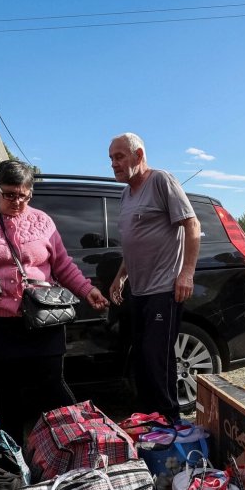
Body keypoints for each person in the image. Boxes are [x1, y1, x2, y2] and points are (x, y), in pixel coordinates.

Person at [0, 159, 108, 443]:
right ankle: (13, 454)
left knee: (53, 386)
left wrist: (86, 290)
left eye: (23, 195)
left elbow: (63, 265)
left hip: (44, 320)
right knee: (7, 391)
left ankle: (76, 445)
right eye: (9, 194)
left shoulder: (43, 221)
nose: (17, 201)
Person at [106, 133, 201, 423]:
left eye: (119, 156)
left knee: (157, 358)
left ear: (139, 155)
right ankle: (149, 421)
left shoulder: (161, 181)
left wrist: (186, 273)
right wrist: (121, 276)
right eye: (111, 159)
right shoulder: (125, 194)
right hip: (139, 289)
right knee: (143, 360)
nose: (114, 164)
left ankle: (171, 422)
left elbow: (192, 225)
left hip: (164, 287)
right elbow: (134, 241)